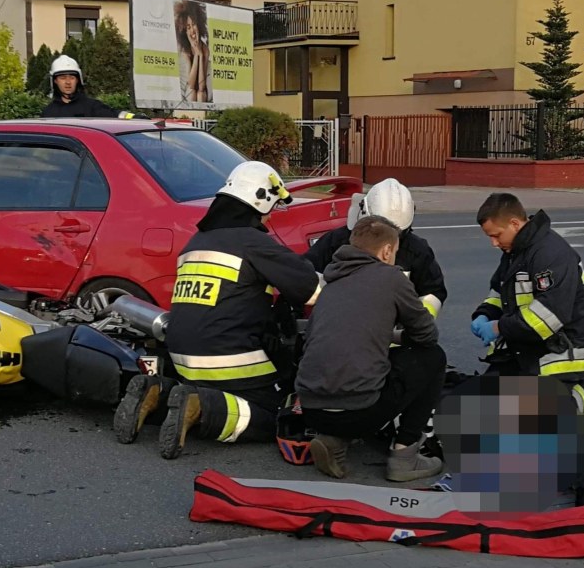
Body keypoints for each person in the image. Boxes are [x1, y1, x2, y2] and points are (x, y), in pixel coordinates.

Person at [120, 161, 319, 459]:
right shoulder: (252, 242)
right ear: (262, 199)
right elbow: (311, 289)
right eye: (273, 205)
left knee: (207, 391)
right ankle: (200, 407)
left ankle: (156, 393)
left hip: (183, 360)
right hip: (230, 360)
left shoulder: (194, 243)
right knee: (271, 412)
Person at [296, 215, 447, 482]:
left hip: (311, 411)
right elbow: (426, 335)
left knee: (357, 370)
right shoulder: (391, 278)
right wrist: (399, 338)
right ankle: (405, 456)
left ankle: (334, 440)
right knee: (433, 358)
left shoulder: (331, 284)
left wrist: (384, 336)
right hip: (359, 411)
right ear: (387, 250)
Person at [471, 193, 584, 381]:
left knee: (507, 408)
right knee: (466, 405)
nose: (494, 243)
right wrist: (485, 313)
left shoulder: (551, 254)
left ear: (514, 224)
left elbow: (547, 317)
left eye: (496, 235)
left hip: (558, 357)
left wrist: (499, 327)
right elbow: (500, 291)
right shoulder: (516, 249)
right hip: (526, 349)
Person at [306, 178, 446, 317]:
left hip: (393, 333)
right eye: (380, 232)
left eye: (397, 233)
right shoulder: (336, 242)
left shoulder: (417, 250)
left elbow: (433, 292)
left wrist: (415, 323)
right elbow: (304, 277)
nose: (388, 243)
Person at [41, 55, 137, 119]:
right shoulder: (48, 113)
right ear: (55, 81)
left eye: (72, 78)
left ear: (78, 80)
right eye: (62, 78)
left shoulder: (92, 106)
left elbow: (115, 115)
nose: (68, 82)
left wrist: (135, 118)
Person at [174, 1, 211, 103]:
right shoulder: (185, 51)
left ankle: (200, 116)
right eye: (188, 27)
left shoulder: (205, 49)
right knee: (192, 92)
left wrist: (200, 53)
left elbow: (202, 85)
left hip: (201, 91)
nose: (192, 31)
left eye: (193, 25)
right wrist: (196, 56)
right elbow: (191, 84)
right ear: (185, 31)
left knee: (200, 93)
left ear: (199, 25)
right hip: (189, 91)